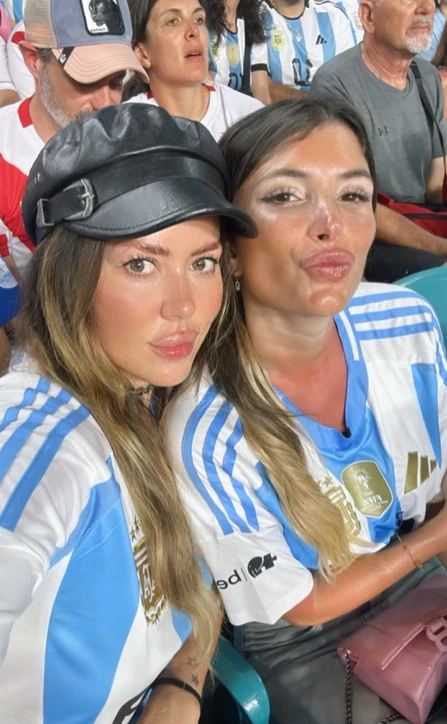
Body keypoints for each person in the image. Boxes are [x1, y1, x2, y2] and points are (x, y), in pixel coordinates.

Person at [164, 97, 447, 724]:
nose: (330, 225)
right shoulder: (206, 430)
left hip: (420, 577)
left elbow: (436, 485)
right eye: (286, 196)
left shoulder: (405, 322)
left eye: (352, 195)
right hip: (308, 641)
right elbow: (300, 605)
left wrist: (430, 542)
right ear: (230, 249)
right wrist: (432, 541)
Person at [0, 102, 257, 723]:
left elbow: (195, 580)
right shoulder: (39, 433)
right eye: (141, 263)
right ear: (69, 277)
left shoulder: (165, 396)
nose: (184, 306)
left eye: (203, 262)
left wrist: (182, 684)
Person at [0, 0, 147, 284]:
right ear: (33, 61)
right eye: (86, 79)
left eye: (116, 80)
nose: (106, 103)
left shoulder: (141, 141)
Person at [312, 0, 447, 283]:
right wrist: (438, 246)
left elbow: (435, 187)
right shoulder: (335, 83)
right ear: (368, 16)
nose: (426, 8)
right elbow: (348, 202)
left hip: (419, 218)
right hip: (368, 234)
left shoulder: (428, 77)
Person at [125, 0, 264, 141]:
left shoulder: (249, 117)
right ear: (142, 54)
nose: (194, 31)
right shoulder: (125, 132)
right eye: (173, 21)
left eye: (199, 19)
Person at [257, 0, 357, 101]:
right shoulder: (256, 16)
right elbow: (263, 88)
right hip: (281, 109)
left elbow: (347, 80)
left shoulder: (334, 15)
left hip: (333, 107)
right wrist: (314, 105)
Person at [203, 0, 271, 103]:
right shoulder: (201, 24)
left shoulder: (252, 23)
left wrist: (268, 113)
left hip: (244, 108)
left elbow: (261, 90)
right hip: (214, 105)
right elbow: (206, 89)